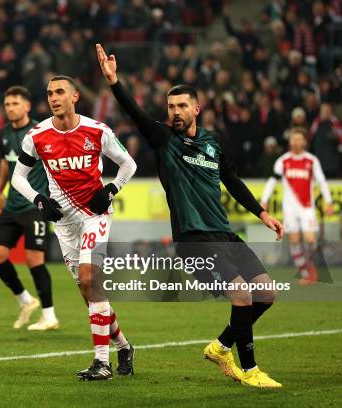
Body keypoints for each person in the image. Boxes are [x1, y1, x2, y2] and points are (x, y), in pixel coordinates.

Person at [96, 43, 284, 388]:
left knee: (267, 293)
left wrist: (262, 213)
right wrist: (114, 82)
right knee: (241, 295)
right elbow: (136, 114)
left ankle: (221, 346)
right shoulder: (164, 139)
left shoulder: (213, 143)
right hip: (193, 239)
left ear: (197, 108)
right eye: (171, 107)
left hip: (223, 234)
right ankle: (251, 369)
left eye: (182, 105)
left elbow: (232, 181)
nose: (176, 111)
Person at [11, 75, 137, 381]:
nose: (53, 98)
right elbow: (19, 177)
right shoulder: (37, 135)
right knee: (88, 291)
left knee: (89, 279)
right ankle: (123, 345)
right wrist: (39, 199)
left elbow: (128, 164)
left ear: (75, 96)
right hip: (63, 222)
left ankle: (101, 362)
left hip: (94, 214)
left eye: (59, 92)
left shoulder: (97, 130)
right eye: (49, 93)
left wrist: (110, 190)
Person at [0, 85, 58, 331]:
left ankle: (50, 316)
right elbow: (5, 164)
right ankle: (26, 300)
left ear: (27, 106)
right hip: (12, 205)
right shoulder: (4, 133)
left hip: (35, 205)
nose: (10, 108)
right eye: (7, 104)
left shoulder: (41, 131)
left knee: (34, 259)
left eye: (15, 103)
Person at [260, 127, 335, 285]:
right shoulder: (283, 161)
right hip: (289, 209)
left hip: (307, 207)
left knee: (310, 239)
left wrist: (329, 202)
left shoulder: (311, 160)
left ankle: (310, 269)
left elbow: (321, 181)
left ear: (304, 141)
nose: (295, 142)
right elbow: (272, 180)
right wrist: (264, 200)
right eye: (293, 139)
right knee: (294, 241)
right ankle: (305, 273)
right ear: (290, 141)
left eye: (299, 139)